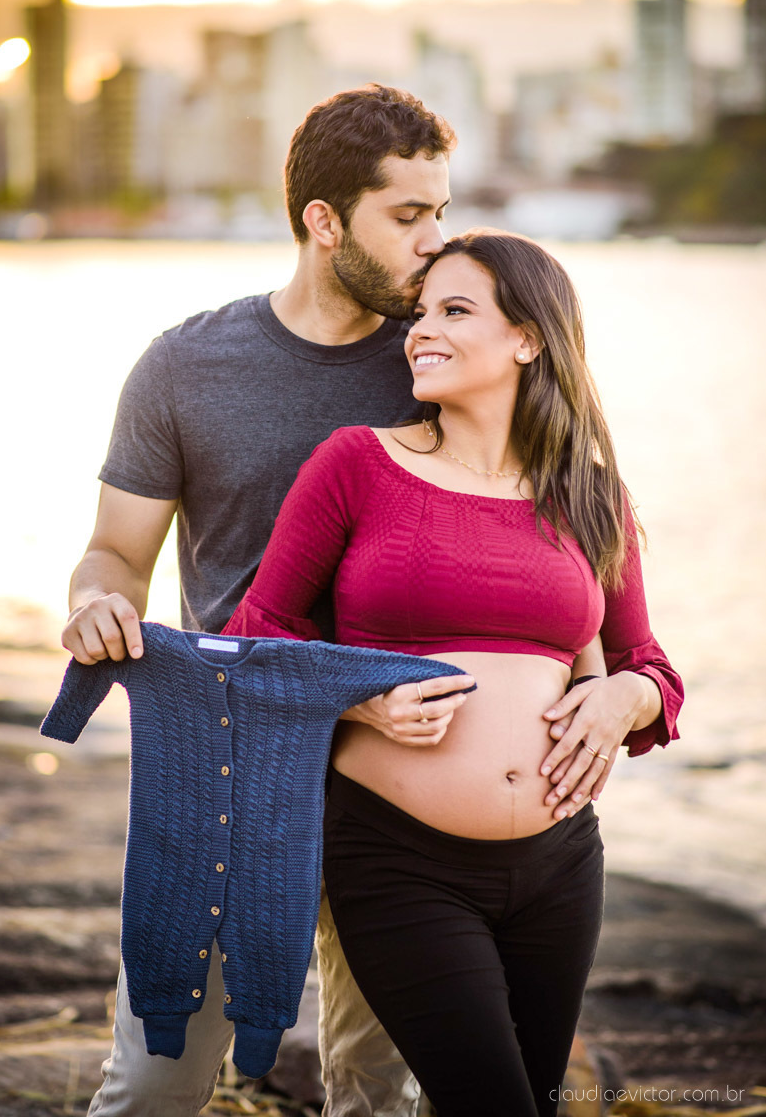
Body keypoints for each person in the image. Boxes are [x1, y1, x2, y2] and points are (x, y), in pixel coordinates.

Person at [221, 229, 683, 1117]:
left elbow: (646, 665)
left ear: (528, 338)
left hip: (560, 867)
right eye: (420, 312)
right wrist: (360, 701)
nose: (420, 331)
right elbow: (255, 646)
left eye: (454, 310)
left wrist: (628, 695)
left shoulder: (589, 492)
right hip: (397, 860)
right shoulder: (357, 463)